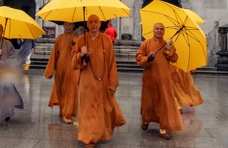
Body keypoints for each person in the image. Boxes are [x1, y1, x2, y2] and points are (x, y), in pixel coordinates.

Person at [72, 14, 126, 148]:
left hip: (102, 82)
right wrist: (81, 55)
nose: (94, 24)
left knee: (99, 111)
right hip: (86, 82)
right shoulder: (80, 40)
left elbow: (112, 63)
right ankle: (88, 138)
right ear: (87, 24)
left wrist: (112, 83)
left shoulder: (106, 40)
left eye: (96, 22)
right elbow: (73, 62)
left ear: (100, 23)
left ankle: (95, 134)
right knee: (87, 111)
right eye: (91, 22)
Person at [135, 23, 183, 140]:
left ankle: (162, 129)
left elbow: (175, 58)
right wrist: (147, 59)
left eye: (161, 29)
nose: (159, 31)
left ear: (164, 31)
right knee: (148, 103)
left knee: (163, 104)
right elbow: (139, 58)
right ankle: (146, 120)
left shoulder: (167, 44)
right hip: (149, 79)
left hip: (164, 80)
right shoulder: (146, 43)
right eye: (157, 29)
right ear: (153, 30)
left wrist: (169, 49)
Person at [43, 22, 79, 124]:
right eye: (66, 25)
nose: (68, 27)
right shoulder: (59, 38)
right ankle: (63, 109)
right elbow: (54, 54)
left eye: (70, 25)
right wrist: (50, 70)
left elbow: (81, 53)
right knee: (60, 90)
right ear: (63, 26)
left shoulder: (78, 38)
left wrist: (76, 43)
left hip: (72, 68)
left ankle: (67, 114)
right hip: (60, 67)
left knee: (71, 90)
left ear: (73, 26)